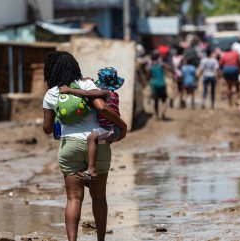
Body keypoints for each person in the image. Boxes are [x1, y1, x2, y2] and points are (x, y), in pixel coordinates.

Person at [42, 51, 127, 241]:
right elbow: (102, 108)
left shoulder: (52, 93)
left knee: (73, 198)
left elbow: (47, 129)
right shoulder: (88, 85)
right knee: (98, 197)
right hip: (96, 145)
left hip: (69, 147)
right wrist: (122, 125)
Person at [59, 67, 123, 183]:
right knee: (97, 143)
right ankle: (90, 175)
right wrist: (85, 80)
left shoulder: (105, 93)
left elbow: (87, 93)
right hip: (113, 129)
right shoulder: (114, 94)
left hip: (110, 128)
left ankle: (91, 170)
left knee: (92, 137)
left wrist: (69, 90)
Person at [147, 50, 169, 119]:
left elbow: (148, 76)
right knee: (164, 100)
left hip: (154, 85)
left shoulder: (150, 66)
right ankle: (163, 113)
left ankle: (156, 115)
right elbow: (169, 68)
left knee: (156, 101)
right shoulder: (161, 64)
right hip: (162, 84)